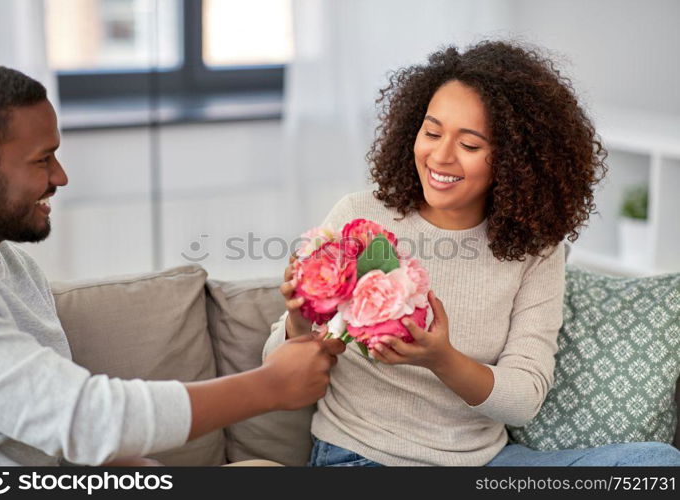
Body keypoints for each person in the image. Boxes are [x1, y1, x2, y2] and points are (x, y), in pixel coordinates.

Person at [263, 41, 680, 466]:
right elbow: (274, 363)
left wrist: (441, 359)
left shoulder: (536, 250)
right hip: (365, 458)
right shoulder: (361, 216)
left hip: (486, 464)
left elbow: (523, 399)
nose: (440, 156)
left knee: (655, 462)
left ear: (515, 159)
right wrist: (301, 316)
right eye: (431, 132)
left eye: (470, 144)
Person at [0, 63, 345, 466]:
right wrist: (271, 385)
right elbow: (87, 417)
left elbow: (49, 430)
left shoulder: (16, 268)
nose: (61, 177)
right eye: (42, 159)